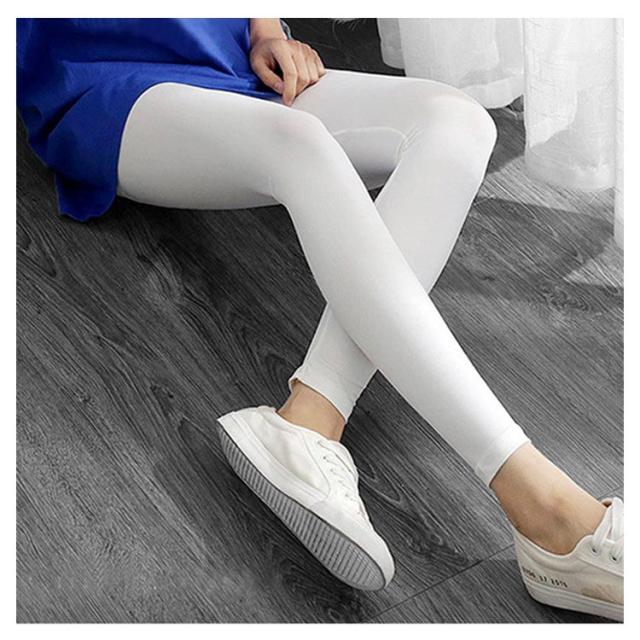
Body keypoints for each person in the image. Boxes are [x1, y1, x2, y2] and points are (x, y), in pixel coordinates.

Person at [17, 18, 623, 621]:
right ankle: (544, 505)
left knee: (457, 121)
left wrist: (264, 29)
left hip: (229, 56)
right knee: (300, 142)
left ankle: (310, 416)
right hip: (102, 79)